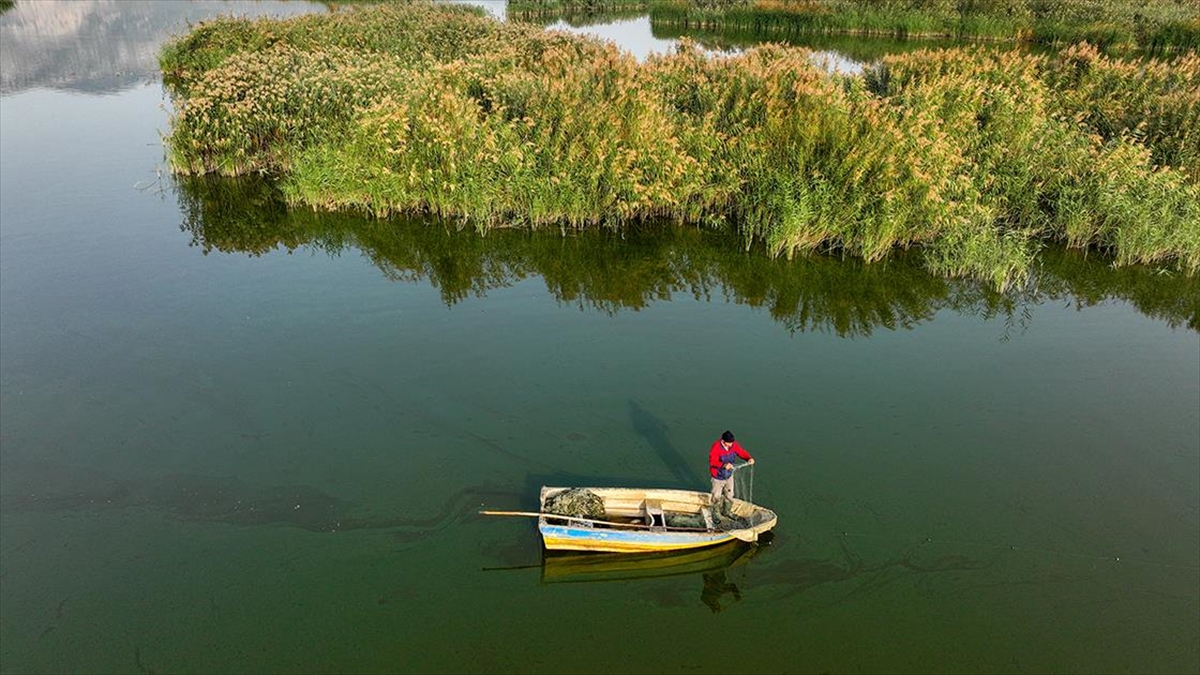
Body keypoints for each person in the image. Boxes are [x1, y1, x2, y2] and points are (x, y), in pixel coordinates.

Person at [709, 430, 753, 516]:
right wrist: (723, 465)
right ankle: (716, 514)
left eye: (732, 443)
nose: (731, 445)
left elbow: (741, 452)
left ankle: (727, 512)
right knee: (716, 496)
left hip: (729, 475)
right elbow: (712, 461)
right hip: (718, 477)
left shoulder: (734, 445)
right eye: (729, 443)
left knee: (729, 494)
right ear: (723, 441)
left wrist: (748, 458)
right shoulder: (716, 447)